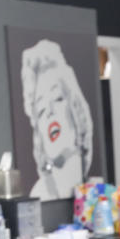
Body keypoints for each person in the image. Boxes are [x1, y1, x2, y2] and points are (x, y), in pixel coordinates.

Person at [21, 39, 94, 200]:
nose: (50, 113)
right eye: (41, 109)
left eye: (58, 99)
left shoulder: (97, 190)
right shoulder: (40, 194)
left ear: (76, 110)